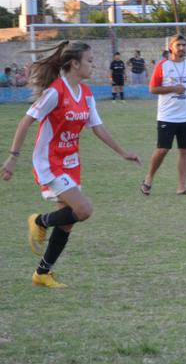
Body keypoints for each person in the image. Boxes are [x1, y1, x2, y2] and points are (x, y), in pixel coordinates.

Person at [1, 41, 141, 288]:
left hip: (70, 162)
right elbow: (26, 121)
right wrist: (13, 157)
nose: (92, 64)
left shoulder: (86, 93)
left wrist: (122, 152)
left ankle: (42, 273)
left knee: (67, 221)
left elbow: (97, 127)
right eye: (89, 60)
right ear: (74, 64)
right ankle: (39, 221)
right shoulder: (56, 92)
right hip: (50, 161)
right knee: (83, 210)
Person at [141, 35, 186, 196]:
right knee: (162, 149)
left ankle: (181, 186)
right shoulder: (163, 65)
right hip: (167, 116)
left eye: (184, 45)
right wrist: (173, 89)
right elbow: (153, 89)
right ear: (171, 47)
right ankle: (148, 179)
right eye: (179, 45)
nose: (182, 48)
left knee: (185, 151)